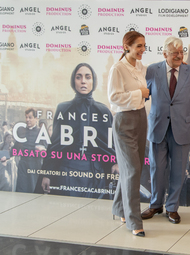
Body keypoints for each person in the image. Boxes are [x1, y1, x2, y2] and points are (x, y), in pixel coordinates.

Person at [142, 36, 190, 224]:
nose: (179, 55)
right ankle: (155, 205)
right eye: (174, 52)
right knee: (157, 169)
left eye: (181, 51)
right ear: (164, 54)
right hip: (158, 127)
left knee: (178, 170)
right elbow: (143, 96)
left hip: (182, 129)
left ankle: (172, 208)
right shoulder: (152, 70)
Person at [40, 63, 115, 199]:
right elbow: (55, 144)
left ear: (94, 81)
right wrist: (47, 174)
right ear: (73, 81)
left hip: (95, 172)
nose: (83, 81)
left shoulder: (103, 111)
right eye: (78, 77)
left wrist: (115, 161)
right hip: (68, 171)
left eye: (88, 77)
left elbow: (110, 143)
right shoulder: (63, 108)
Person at [107, 31, 149, 237]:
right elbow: (113, 97)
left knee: (134, 169)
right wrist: (139, 93)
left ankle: (119, 208)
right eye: (138, 46)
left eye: (144, 46)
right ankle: (134, 221)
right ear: (126, 47)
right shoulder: (118, 68)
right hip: (124, 121)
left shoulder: (140, 67)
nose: (142, 50)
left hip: (141, 118)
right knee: (132, 169)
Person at [11, 108, 46, 193]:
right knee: (21, 191)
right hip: (23, 166)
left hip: (34, 167)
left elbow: (46, 149)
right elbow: (15, 149)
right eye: (26, 117)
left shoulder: (40, 132)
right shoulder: (22, 131)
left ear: (35, 118)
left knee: (33, 190)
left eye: (30, 117)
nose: (27, 120)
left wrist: (42, 150)